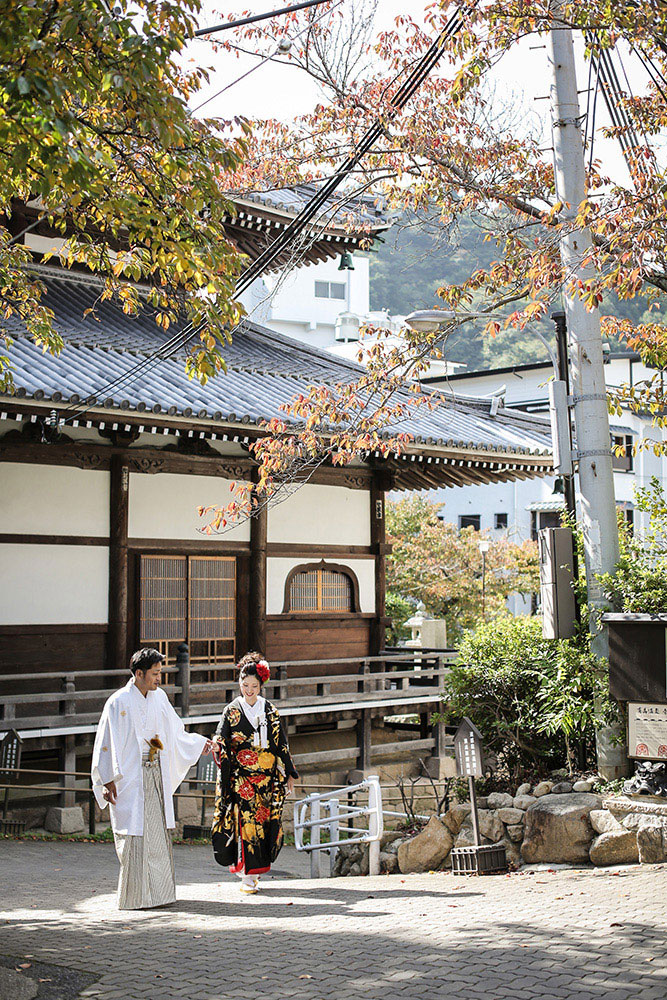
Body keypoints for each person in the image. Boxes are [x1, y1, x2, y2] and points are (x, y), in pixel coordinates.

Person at [91, 647, 212, 909]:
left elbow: (172, 733)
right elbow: (106, 742)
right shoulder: (118, 702)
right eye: (155, 673)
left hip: (153, 772)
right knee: (133, 834)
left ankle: (159, 894)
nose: (159, 678)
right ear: (139, 673)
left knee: (156, 834)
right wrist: (106, 779)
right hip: (129, 777)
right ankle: (134, 896)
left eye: (160, 673)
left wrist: (198, 744)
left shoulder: (159, 699)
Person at [211, 651, 298, 894]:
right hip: (241, 778)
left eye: (254, 686)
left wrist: (289, 772)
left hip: (266, 780)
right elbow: (222, 734)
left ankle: (253, 872)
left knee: (262, 823)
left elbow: (281, 744)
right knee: (245, 823)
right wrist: (217, 745)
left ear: (261, 685)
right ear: (239, 683)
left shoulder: (270, 710)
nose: (249, 690)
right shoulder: (231, 710)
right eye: (245, 685)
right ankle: (247, 875)